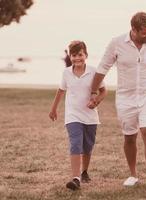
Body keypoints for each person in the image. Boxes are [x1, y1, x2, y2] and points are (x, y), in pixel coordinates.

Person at [89, 12, 146, 194]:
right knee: (129, 137)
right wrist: (93, 91)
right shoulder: (116, 43)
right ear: (133, 30)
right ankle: (133, 174)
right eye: (144, 32)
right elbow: (103, 67)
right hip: (126, 98)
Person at [49, 41, 106, 190]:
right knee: (75, 144)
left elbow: (103, 91)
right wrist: (53, 109)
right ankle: (75, 178)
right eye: (73, 55)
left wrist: (96, 101)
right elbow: (61, 91)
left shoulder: (94, 71)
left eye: (80, 55)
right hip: (73, 115)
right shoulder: (66, 72)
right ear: (70, 56)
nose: (77, 58)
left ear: (85, 55)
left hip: (90, 116)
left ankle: (84, 171)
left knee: (87, 146)